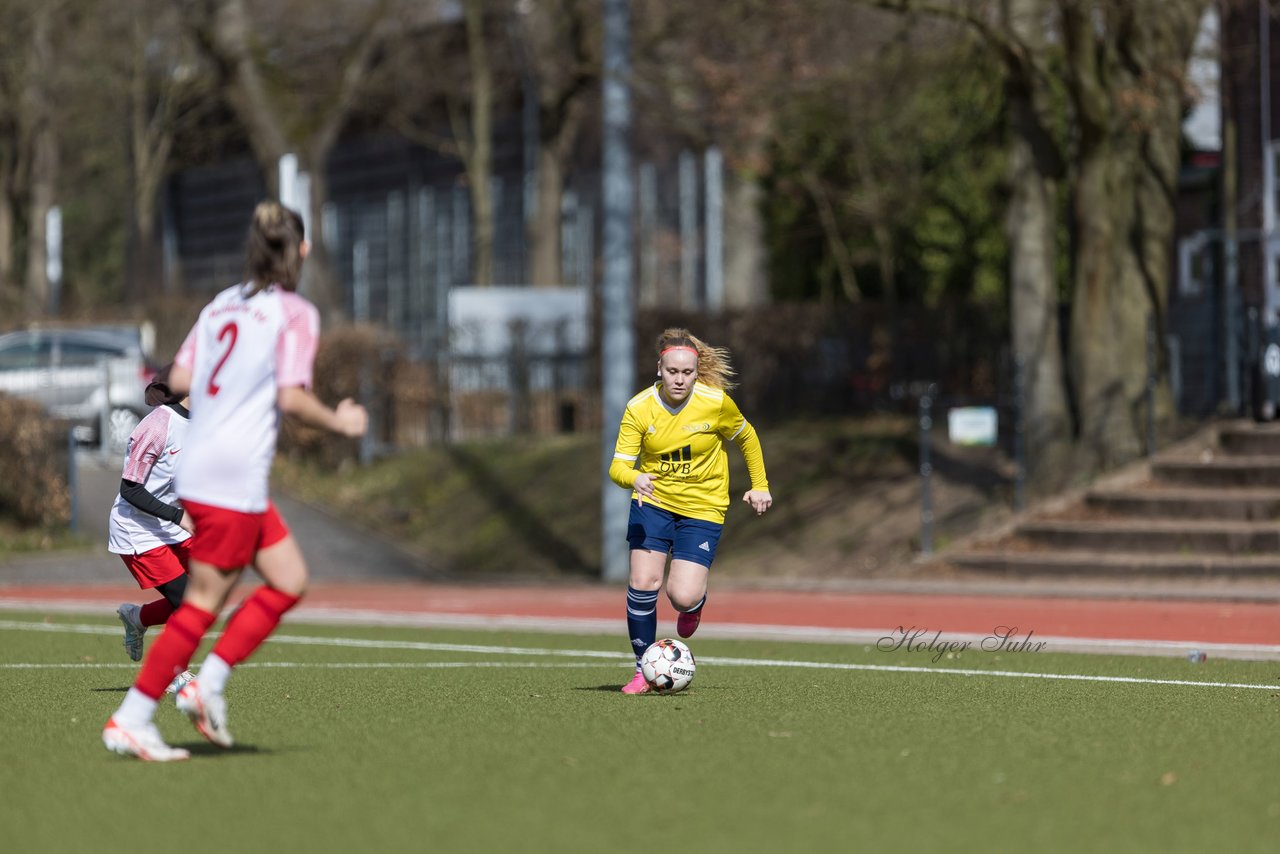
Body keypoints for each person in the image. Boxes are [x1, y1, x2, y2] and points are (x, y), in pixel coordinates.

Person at [103, 201, 368, 761]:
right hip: (233, 471)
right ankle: (138, 715)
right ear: (302, 251)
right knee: (199, 603)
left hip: (206, 469)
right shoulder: (294, 312)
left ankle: (201, 688)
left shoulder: (222, 303)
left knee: (287, 578)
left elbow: (175, 376)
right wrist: (341, 421)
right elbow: (291, 397)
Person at [608, 328, 772, 694]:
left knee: (680, 595)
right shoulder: (639, 408)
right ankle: (641, 670)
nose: (679, 379)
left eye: (687, 372)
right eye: (672, 372)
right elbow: (617, 467)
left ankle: (694, 604)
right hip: (654, 504)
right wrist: (634, 479)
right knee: (643, 582)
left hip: (704, 506)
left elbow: (747, 437)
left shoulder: (715, 403)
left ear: (697, 372)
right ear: (659, 369)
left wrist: (759, 485)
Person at [107, 374, 196, 695]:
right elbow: (130, 489)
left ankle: (137, 617)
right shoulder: (158, 425)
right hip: (137, 530)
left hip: (173, 525)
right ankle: (173, 671)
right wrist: (178, 515)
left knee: (207, 594)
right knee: (188, 602)